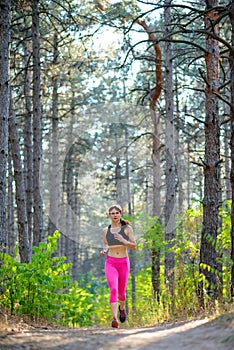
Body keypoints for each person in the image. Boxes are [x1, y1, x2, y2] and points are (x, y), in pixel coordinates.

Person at [100, 204, 136, 328]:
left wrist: (123, 240)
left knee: (121, 293)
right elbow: (106, 244)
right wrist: (104, 251)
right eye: (112, 213)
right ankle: (115, 319)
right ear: (109, 215)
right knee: (113, 289)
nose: (115, 215)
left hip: (123, 263)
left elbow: (134, 246)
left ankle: (122, 308)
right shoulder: (105, 230)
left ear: (121, 214)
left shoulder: (127, 229)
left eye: (117, 213)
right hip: (111, 262)